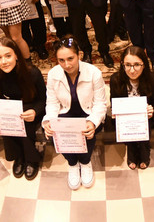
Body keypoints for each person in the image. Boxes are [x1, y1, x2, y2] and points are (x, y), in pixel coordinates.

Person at [42, 36, 107, 190]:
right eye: (61, 60)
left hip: (88, 113)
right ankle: (72, 163)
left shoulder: (94, 73)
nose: (67, 64)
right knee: (55, 132)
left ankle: (85, 162)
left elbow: (100, 104)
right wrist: (49, 120)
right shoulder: (53, 74)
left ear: (80, 55)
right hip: (65, 113)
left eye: (70, 58)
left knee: (87, 132)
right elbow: (51, 102)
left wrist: (93, 121)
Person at [0, 38, 46, 177]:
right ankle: (18, 156)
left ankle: (31, 160)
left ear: (16, 55)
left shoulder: (32, 73)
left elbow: (44, 99)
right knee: (5, 121)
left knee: (25, 124)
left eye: (8, 56)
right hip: (11, 109)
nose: (4, 61)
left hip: (31, 107)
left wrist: (35, 111)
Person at [109, 46, 154, 169]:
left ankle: (145, 148)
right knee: (125, 128)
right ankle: (131, 149)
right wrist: (115, 111)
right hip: (126, 120)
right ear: (122, 64)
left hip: (145, 119)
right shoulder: (116, 79)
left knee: (145, 129)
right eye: (128, 65)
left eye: (137, 65)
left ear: (144, 65)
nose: (132, 70)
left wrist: (153, 109)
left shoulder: (153, 79)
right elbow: (114, 101)